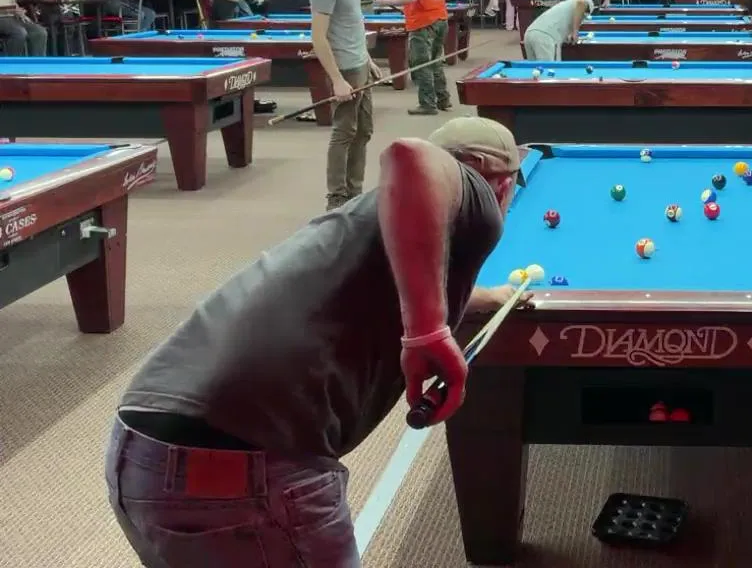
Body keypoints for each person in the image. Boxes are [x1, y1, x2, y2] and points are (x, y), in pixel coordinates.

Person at [104, 115, 531, 568]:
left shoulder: (376, 217)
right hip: (243, 471)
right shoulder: (476, 197)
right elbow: (411, 155)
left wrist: (491, 296)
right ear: (498, 182)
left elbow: (421, 266)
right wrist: (428, 331)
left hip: (141, 451)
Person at [308, 0, 385, 211]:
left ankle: (354, 193)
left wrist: (367, 58)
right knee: (344, 132)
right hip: (345, 69)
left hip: (359, 63)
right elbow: (318, 37)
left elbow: (353, 23)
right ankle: (337, 199)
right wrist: (337, 79)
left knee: (363, 131)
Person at [374, 0, 451, 116]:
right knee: (435, 61)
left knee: (421, 64)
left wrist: (384, 2)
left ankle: (427, 104)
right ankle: (443, 99)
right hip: (440, 19)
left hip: (422, 24)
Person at [523, 0, 593, 61]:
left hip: (529, 34)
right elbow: (581, 3)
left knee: (534, 67)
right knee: (549, 68)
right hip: (545, 36)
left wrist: (569, 35)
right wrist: (575, 32)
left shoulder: (566, 6)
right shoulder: (587, 0)